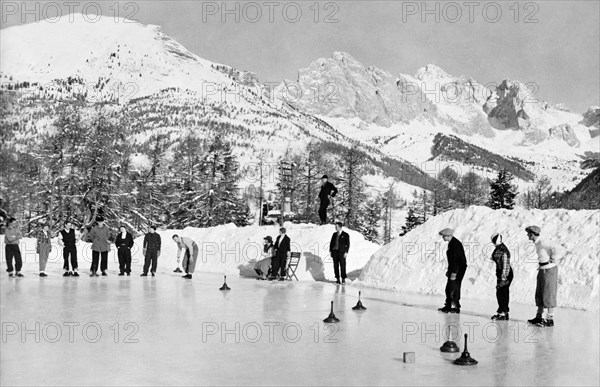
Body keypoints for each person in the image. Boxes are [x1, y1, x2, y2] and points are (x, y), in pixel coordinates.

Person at [526, 225, 564, 327]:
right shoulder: (537, 243)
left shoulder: (543, 242)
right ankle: (539, 317)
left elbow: (558, 248)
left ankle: (549, 319)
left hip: (549, 270)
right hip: (542, 269)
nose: (527, 235)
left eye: (528, 234)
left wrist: (554, 258)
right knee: (539, 293)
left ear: (533, 234)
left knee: (549, 293)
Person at [438, 228, 467, 313]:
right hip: (454, 268)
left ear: (448, 235)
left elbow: (456, 260)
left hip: (458, 268)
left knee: (453, 287)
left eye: (443, 236)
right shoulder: (452, 243)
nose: (442, 237)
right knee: (449, 287)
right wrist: (449, 270)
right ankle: (449, 305)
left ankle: (454, 306)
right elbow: (452, 260)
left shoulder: (455, 244)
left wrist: (454, 272)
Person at [490, 233, 513, 320]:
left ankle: (503, 312)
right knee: (501, 292)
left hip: (505, 274)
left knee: (502, 293)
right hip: (502, 273)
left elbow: (505, 264)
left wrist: (504, 277)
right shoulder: (499, 248)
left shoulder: (503, 250)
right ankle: (503, 311)